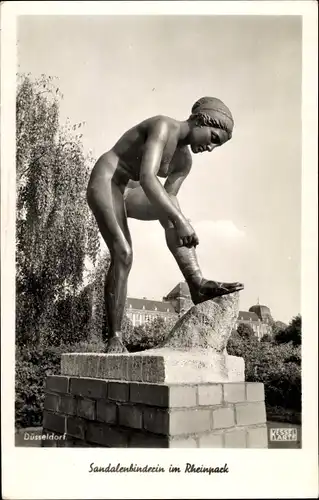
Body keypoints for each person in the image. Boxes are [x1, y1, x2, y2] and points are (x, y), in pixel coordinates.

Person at [87, 96, 244, 353]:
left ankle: (196, 283)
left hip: (130, 190)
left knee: (174, 210)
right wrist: (179, 221)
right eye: (213, 138)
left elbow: (168, 203)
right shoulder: (163, 126)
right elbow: (149, 178)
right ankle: (114, 337)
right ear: (200, 120)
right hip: (108, 180)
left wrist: (179, 221)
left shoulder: (185, 162)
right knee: (123, 253)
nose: (211, 148)